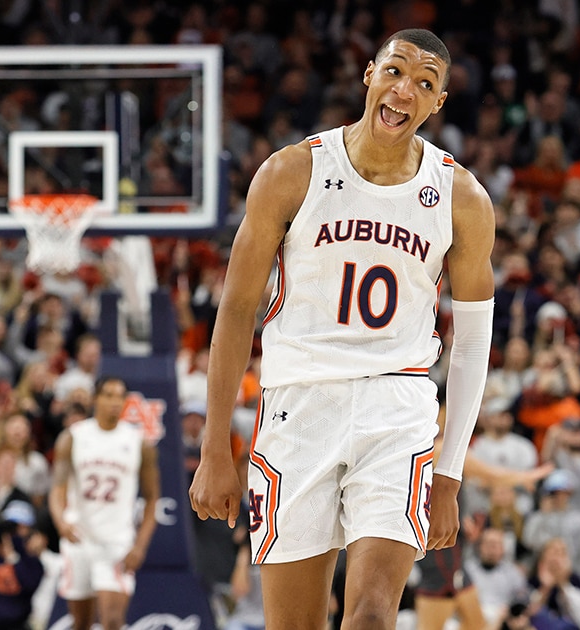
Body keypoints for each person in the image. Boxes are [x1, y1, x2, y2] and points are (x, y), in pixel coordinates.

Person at [190, 28, 495, 630]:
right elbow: (236, 310)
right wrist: (214, 447)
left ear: (438, 102)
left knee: (372, 617)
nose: (404, 90)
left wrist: (450, 474)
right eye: (395, 71)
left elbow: (474, 343)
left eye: (425, 83)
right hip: (298, 406)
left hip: (397, 408)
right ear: (369, 74)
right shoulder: (291, 172)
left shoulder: (461, 196)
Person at [49, 376, 160, 630]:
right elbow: (57, 489)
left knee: (112, 621)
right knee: (81, 623)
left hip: (116, 542)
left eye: (120, 396)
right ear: (95, 399)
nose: (114, 401)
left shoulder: (139, 442)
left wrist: (140, 546)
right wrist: (61, 522)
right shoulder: (73, 437)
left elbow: (152, 498)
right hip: (79, 538)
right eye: (108, 395)